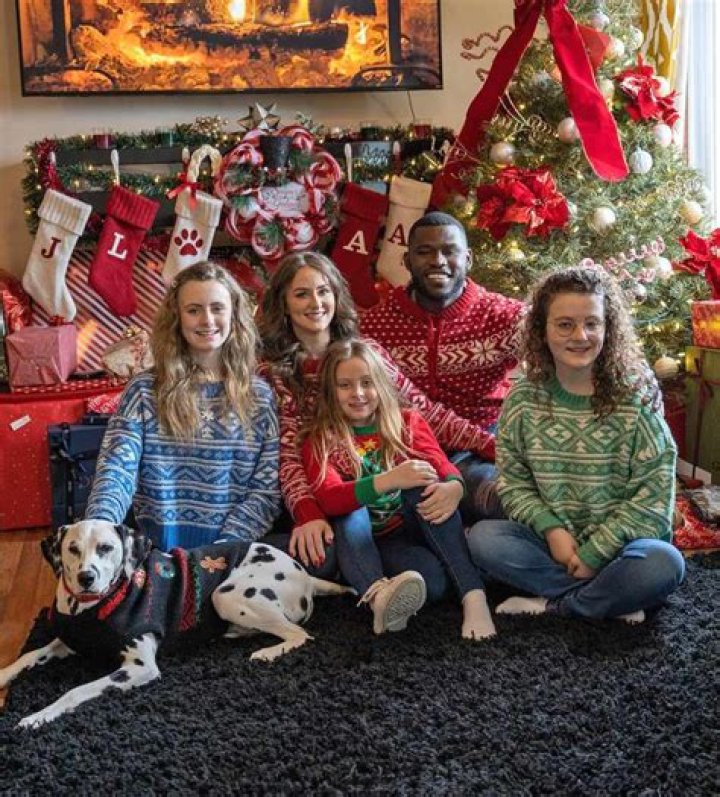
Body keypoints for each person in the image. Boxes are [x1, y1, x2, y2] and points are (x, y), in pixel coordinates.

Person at [467, 265, 685, 623]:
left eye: (592, 323)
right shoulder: (523, 400)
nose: (580, 336)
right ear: (542, 329)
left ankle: (556, 604)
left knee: (664, 563)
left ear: (608, 328)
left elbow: (655, 499)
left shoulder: (635, 398)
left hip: (623, 548)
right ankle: (610, 599)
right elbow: (513, 483)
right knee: (483, 538)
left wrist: (596, 551)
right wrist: (552, 530)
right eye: (565, 324)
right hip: (555, 545)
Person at [257, 251, 495, 575]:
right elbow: (287, 456)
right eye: (302, 294)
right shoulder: (274, 375)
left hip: (392, 488)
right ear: (284, 304)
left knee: (482, 493)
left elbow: (425, 412)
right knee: (321, 556)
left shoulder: (367, 353)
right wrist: (307, 513)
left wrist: (492, 447)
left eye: (323, 291)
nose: (316, 302)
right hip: (332, 496)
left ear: (336, 295)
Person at [302, 338, 495, 639]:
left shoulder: (406, 421)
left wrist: (455, 486)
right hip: (358, 541)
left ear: (381, 384)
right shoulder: (321, 440)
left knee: (433, 579)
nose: (358, 393)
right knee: (349, 508)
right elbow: (328, 498)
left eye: (367, 383)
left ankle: (473, 595)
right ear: (331, 391)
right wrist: (389, 480)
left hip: (402, 534)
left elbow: (439, 462)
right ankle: (377, 594)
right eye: (345, 385)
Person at [87, 261, 280, 550]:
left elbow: (265, 493)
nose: (207, 320)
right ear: (177, 317)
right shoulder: (144, 391)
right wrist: (100, 528)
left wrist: (223, 550)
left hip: (233, 552)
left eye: (217, 308)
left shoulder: (260, 397)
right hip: (157, 551)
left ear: (234, 314)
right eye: (193, 310)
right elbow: (117, 469)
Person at [360, 211, 524, 522]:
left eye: (449, 251)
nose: (438, 261)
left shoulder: (503, 315)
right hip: (409, 450)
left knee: (498, 495)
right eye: (424, 252)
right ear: (407, 261)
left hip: (482, 445)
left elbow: (559, 346)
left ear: (468, 259)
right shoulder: (375, 327)